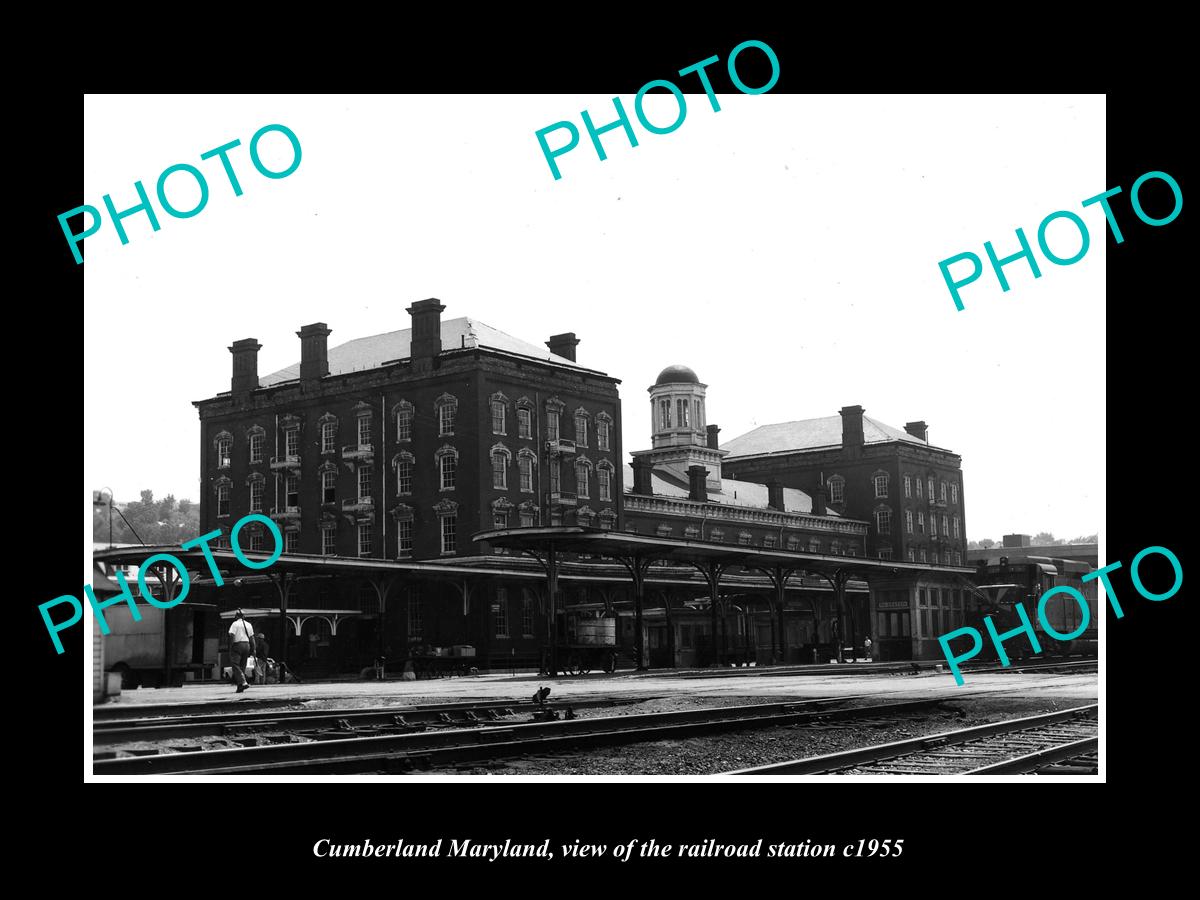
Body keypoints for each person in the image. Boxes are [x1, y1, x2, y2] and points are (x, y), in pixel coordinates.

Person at [228, 609, 256, 694]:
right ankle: (240, 687)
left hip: (237, 645)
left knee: (235, 665)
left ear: (236, 616)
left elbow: (232, 636)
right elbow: (252, 638)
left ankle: (243, 682)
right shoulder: (249, 625)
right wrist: (254, 649)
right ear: (244, 616)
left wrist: (231, 647)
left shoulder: (234, 624)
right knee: (242, 666)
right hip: (247, 645)